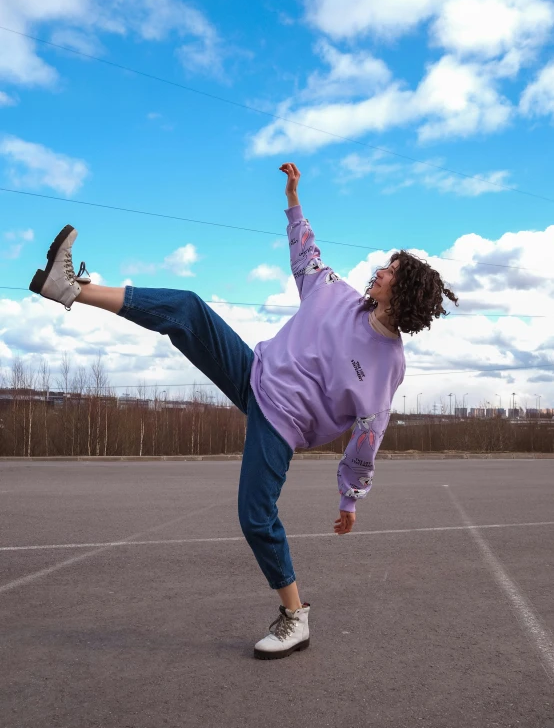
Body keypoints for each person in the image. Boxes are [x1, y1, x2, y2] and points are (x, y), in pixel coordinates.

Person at [29, 162, 458, 660]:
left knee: (255, 516)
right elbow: (307, 254)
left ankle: (295, 617)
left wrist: (350, 498)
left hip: (282, 423)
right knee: (187, 308)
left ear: (401, 294)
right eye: (387, 265)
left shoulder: (389, 364)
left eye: (392, 271)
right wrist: (294, 200)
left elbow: (369, 435)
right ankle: (69, 290)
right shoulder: (337, 293)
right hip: (253, 372)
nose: (381, 270)